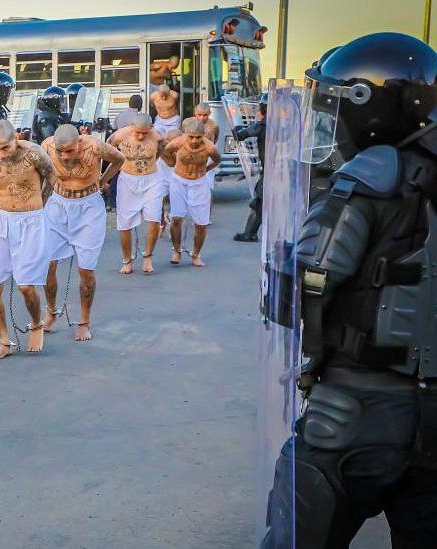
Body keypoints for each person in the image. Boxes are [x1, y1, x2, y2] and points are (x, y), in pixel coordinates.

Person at [261, 33, 437, 548]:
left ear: (372, 109)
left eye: (337, 107)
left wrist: (279, 268)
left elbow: (303, 287)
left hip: (355, 411)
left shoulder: (366, 182)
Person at [0, 120, 55, 358]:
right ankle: (4, 340)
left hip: (31, 220)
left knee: (26, 286)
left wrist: (41, 202)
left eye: (6, 147)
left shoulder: (33, 153)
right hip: (0, 220)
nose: (0, 154)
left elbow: (51, 176)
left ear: (16, 139)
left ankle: (36, 323)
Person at [41, 125, 124, 341]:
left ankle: (84, 321)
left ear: (79, 142)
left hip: (88, 207)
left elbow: (119, 159)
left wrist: (104, 180)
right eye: (60, 152)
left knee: (85, 270)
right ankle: (51, 311)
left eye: (69, 151)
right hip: (58, 205)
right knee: (47, 264)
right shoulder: (47, 146)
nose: (64, 156)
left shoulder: (95, 147)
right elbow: (41, 171)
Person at [108, 114, 164, 275]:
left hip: (151, 179)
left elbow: (159, 154)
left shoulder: (157, 137)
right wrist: (104, 178)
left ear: (151, 129)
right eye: (138, 132)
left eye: (144, 133)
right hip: (127, 179)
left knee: (154, 219)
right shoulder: (120, 135)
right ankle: (127, 260)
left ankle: (148, 256)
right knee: (124, 223)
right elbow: (107, 152)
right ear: (133, 126)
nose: (141, 136)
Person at [162, 119, 220, 267]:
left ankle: (196, 254)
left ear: (203, 135)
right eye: (191, 137)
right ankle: (176, 250)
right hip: (179, 181)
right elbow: (165, 151)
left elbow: (217, 160)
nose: (194, 140)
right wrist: (173, 163)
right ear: (186, 135)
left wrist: (206, 170)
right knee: (176, 218)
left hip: (199, 183)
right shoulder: (178, 143)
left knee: (201, 223)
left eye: (198, 137)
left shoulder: (209, 148)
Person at [232, 94, 266, 242]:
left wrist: (236, 123)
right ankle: (250, 233)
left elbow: (240, 135)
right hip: (286, 170)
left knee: (258, 203)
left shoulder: (263, 125)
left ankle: (249, 233)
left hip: (271, 172)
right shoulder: (288, 124)